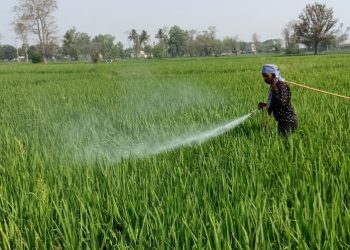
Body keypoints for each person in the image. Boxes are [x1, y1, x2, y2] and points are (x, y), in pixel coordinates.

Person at [257, 64, 297, 136]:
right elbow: (277, 102)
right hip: (282, 122)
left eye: (266, 75)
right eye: (263, 75)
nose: (264, 78)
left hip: (288, 122)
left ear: (273, 75)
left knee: (286, 144)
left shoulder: (282, 85)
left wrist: (274, 88)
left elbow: (282, 102)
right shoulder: (275, 85)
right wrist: (266, 104)